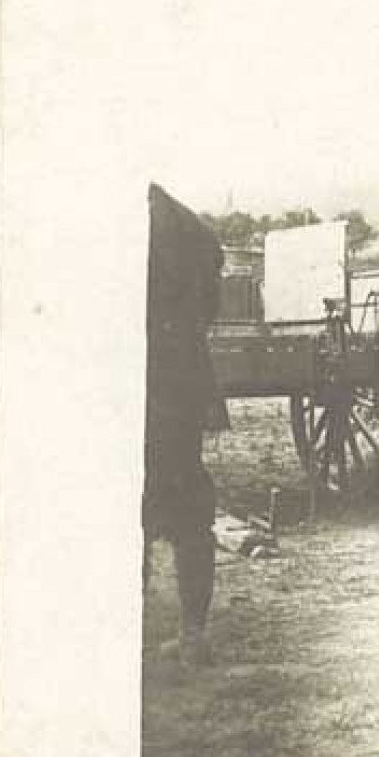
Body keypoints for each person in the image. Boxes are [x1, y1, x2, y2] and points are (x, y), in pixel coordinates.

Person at [144, 183, 224, 667]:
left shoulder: (121, 217)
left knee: (129, 505)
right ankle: (194, 634)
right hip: (186, 385)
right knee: (190, 509)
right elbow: (208, 310)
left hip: (138, 385)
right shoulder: (193, 226)